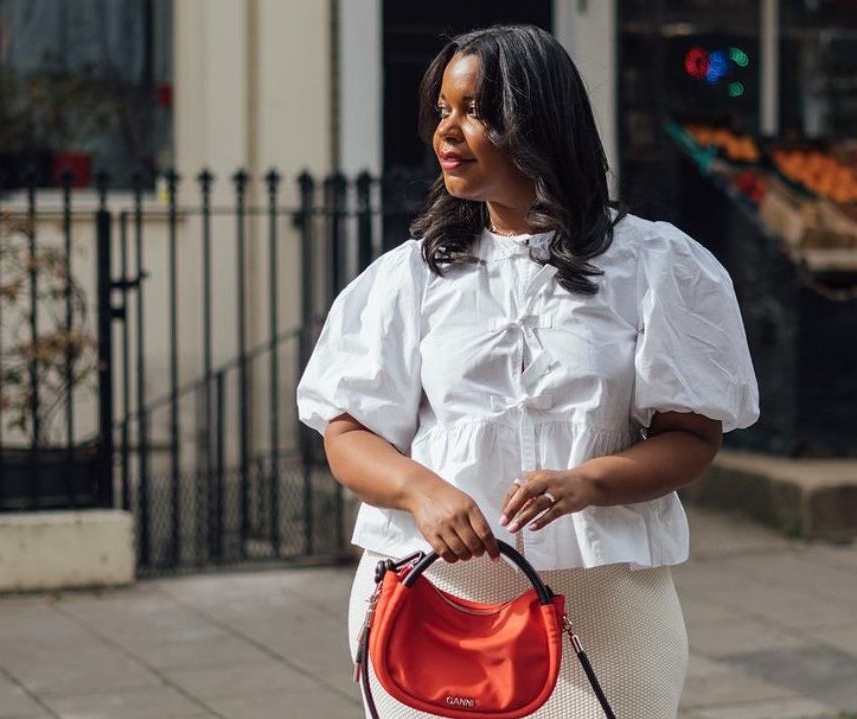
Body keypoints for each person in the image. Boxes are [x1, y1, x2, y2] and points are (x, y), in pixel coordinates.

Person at [297, 24, 759, 718]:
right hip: (428, 598)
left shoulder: (656, 266)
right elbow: (346, 433)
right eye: (444, 111)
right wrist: (421, 490)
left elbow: (692, 436)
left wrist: (588, 480)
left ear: (538, 121)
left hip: (602, 605)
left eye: (477, 111)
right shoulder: (411, 277)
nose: (448, 132)